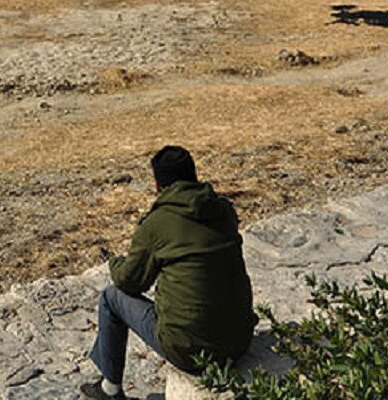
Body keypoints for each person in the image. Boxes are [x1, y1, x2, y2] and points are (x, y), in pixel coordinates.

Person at [80, 146, 258, 399]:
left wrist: (115, 263)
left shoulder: (157, 224)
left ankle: (110, 389)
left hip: (189, 351)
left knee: (111, 297)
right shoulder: (224, 210)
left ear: (157, 184)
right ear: (193, 174)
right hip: (239, 341)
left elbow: (130, 282)